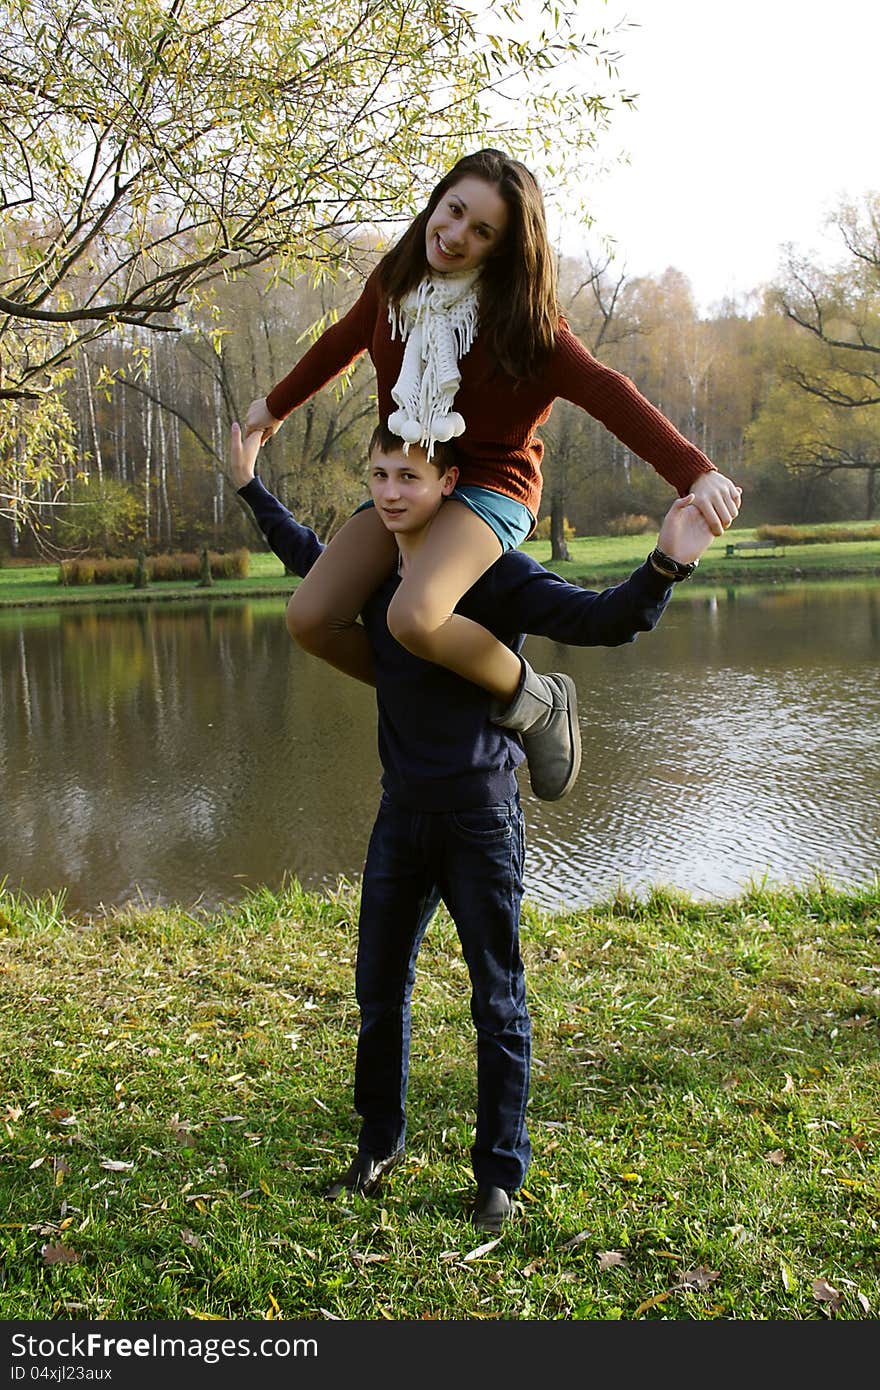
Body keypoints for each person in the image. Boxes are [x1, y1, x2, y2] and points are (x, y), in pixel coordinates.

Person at [230, 418, 726, 1233]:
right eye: (380, 476)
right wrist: (252, 484)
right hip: (402, 816)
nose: (391, 493)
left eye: (410, 478)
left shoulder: (493, 576)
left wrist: (669, 559)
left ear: (450, 485)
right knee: (378, 992)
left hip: (481, 819)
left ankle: (499, 1169)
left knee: (496, 1000)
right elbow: (302, 554)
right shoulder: (370, 574)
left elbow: (605, 621)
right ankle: (378, 1142)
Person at [245, 148, 741, 805]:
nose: (455, 236)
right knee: (310, 617)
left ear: (506, 249)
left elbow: (605, 389)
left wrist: (694, 471)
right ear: (438, 199)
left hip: (490, 488)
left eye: (483, 232)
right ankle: (454, 685)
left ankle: (533, 697)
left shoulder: (527, 327)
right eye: (453, 212)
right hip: (420, 475)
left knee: (416, 616)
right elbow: (340, 341)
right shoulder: (394, 287)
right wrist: (274, 406)